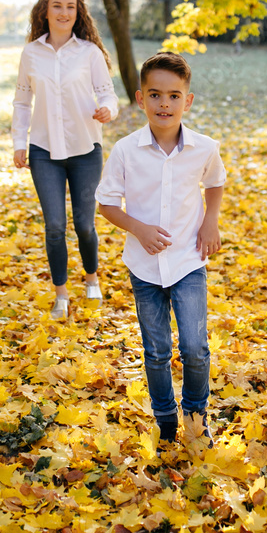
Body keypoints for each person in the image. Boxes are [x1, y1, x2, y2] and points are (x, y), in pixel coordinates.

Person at [95, 52, 226, 445]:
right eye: (155, 95)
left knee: (195, 347)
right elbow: (106, 203)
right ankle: (166, 420)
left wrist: (210, 221)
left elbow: (215, 182)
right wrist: (137, 229)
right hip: (145, 266)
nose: (164, 104)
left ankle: (196, 416)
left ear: (188, 100)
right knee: (156, 351)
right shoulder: (125, 150)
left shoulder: (204, 147)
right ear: (140, 99)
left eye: (173, 96)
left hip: (188, 260)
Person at [12, 0, 120, 319]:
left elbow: (108, 94)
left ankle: (91, 278)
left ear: (78, 12)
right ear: (45, 10)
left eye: (70, 7)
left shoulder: (89, 53)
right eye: (57, 5)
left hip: (85, 149)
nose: (64, 12)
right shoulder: (31, 53)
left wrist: (108, 110)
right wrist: (19, 143)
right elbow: (22, 102)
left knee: (85, 225)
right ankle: (61, 295)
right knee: (55, 226)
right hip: (43, 150)